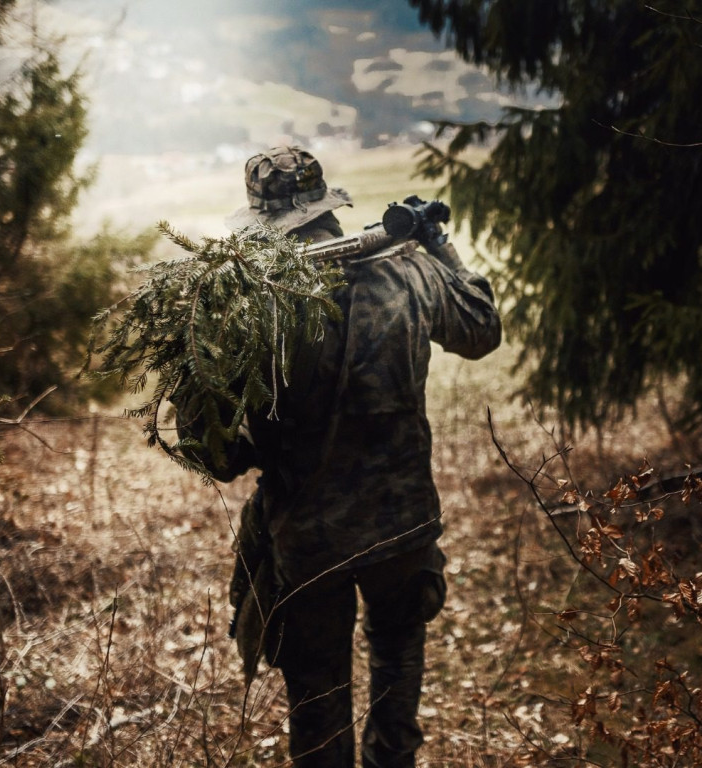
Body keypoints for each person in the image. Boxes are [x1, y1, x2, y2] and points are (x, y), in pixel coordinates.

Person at [207, 145, 501, 767]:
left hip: (310, 541)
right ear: (326, 209)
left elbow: (221, 457)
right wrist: (438, 246)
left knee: (319, 705)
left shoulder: (257, 308)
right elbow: (481, 329)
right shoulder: (410, 272)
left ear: (265, 222)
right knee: (397, 664)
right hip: (402, 526)